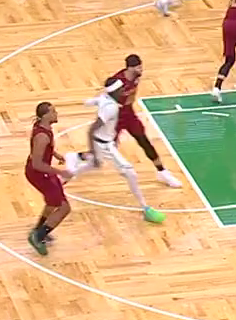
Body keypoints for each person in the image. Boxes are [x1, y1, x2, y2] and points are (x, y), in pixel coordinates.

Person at [63, 78, 166, 225]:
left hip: (104, 142)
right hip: (104, 145)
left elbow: (92, 101)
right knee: (131, 173)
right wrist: (93, 151)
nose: (123, 91)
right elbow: (91, 130)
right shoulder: (110, 108)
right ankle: (145, 208)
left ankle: (68, 168)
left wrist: (88, 102)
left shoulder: (105, 98)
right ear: (115, 92)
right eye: (121, 90)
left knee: (94, 165)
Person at [97, 54, 183, 188]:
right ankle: (75, 163)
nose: (141, 69)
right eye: (138, 67)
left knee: (145, 142)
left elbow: (131, 96)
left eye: (141, 66)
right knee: (103, 150)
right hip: (115, 118)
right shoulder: (116, 82)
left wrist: (128, 104)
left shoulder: (136, 78)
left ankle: (162, 172)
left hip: (129, 116)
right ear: (130, 68)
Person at [25, 102, 78, 256]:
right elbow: (37, 164)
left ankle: (38, 229)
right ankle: (38, 236)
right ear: (45, 116)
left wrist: (55, 154)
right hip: (40, 174)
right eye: (53, 111)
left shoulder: (44, 128)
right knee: (64, 208)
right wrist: (60, 172)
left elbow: (43, 150)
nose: (56, 113)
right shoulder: (42, 136)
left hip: (42, 172)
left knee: (52, 202)